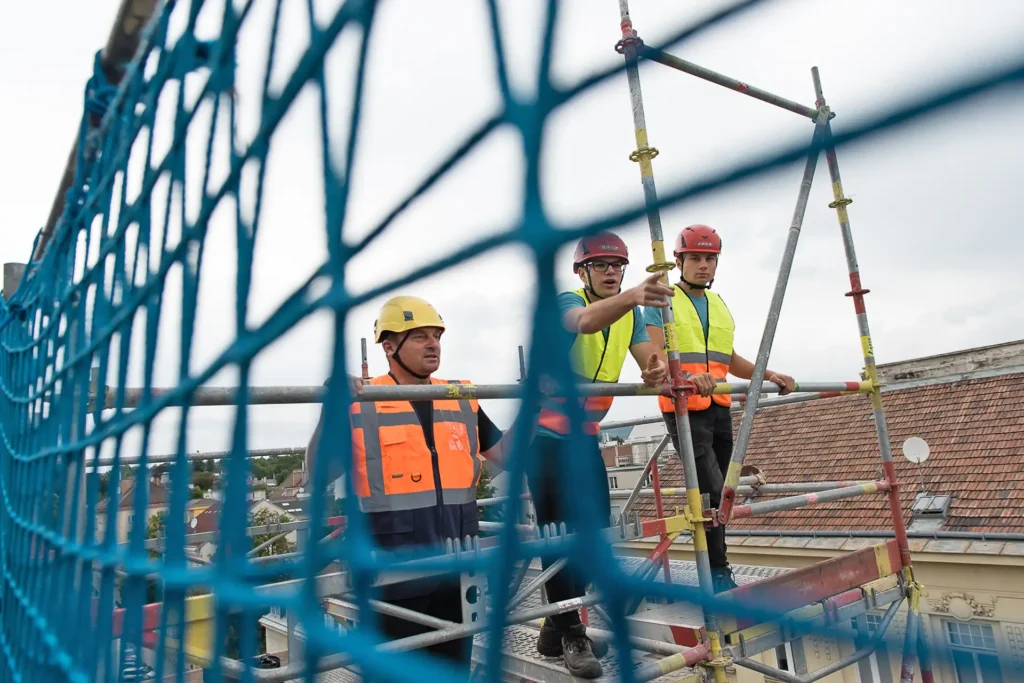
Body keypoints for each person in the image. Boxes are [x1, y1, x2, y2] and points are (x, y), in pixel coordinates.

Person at [304, 295, 511, 676]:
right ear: (389, 346)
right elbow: (316, 476)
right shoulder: (361, 402)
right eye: (419, 337)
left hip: (456, 572)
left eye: (436, 335)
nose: (433, 344)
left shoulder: (461, 399)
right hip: (392, 581)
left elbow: (510, 457)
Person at [532, 232, 672, 679]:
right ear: (583, 271)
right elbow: (585, 322)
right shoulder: (564, 300)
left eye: (618, 266)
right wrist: (633, 296)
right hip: (545, 436)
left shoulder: (628, 315)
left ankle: (556, 627)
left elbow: (648, 359)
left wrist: (656, 367)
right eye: (602, 265)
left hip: (584, 433)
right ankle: (572, 630)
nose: (611, 272)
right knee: (559, 535)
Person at [644, 224, 795, 593]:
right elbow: (654, 358)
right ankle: (717, 572)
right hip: (683, 407)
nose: (704, 266)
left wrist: (768, 372)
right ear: (678, 261)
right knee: (710, 491)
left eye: (710, 259)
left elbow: (726, 358)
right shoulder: (662, 300)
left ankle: (718, 566)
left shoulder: (718, 304)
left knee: (723, 489)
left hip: (719, 406)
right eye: (695, 258)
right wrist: (688, 376)